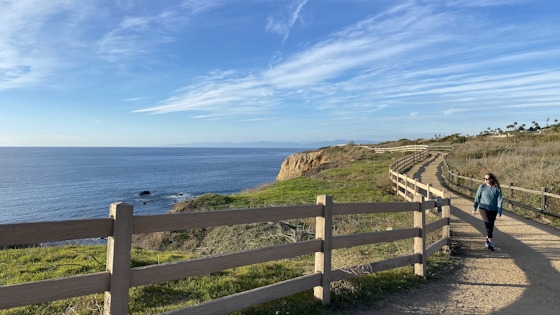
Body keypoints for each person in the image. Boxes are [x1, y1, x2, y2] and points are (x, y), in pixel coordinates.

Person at [472, 172, 503, 251]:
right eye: (484, 178)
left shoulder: (497, 188)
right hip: (483, 208)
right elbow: (477, 198)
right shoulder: (482, 187)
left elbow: (500, 200)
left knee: (491, 226)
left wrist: (499, 212)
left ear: (492, 179)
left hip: (493, 209)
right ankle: (491, 242)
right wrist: (474, 208)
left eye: (487, 178)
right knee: (488, 223)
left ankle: (487, 240)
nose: (485, 180)